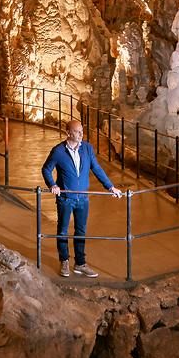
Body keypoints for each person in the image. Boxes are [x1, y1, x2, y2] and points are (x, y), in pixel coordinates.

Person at [41, 119, 122, 278]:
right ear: (68, 133)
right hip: (65, 198)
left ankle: (80, 263)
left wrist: (110, 187)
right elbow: (46, 169)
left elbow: (97, 168)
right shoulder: (58, 151)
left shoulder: (87, 148)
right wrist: (52, 185)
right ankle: (64, 261)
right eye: (77, 132)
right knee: (63, 230)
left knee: (81, 230)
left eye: (82, 131)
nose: (81, 134)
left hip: (83, 198)